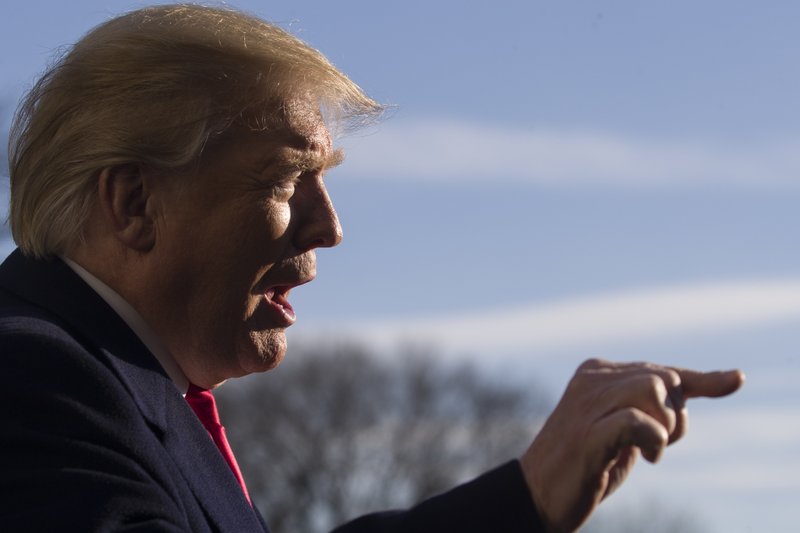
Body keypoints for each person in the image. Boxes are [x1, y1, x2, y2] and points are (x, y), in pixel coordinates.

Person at [0, 4, 743, 532]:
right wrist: (525, 497)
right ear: (134, 202)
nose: (332, 227)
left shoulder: (118, 386)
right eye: (288, 181)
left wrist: (529, 497)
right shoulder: (30, 378)